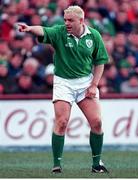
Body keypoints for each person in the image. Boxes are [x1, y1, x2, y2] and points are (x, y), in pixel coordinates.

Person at [18, 5, 109, 174]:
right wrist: (30, 29)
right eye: (65, 19)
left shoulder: (94, 35)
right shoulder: (60, 32)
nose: (66, 23)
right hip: (63, 83)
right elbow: (43, 30)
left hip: (85, 82)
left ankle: (97, 164)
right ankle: (56, 165)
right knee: (62, 122)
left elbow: (100, 62)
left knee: (97, 122)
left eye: (70, 20)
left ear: (81, 21)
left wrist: (94, 84)